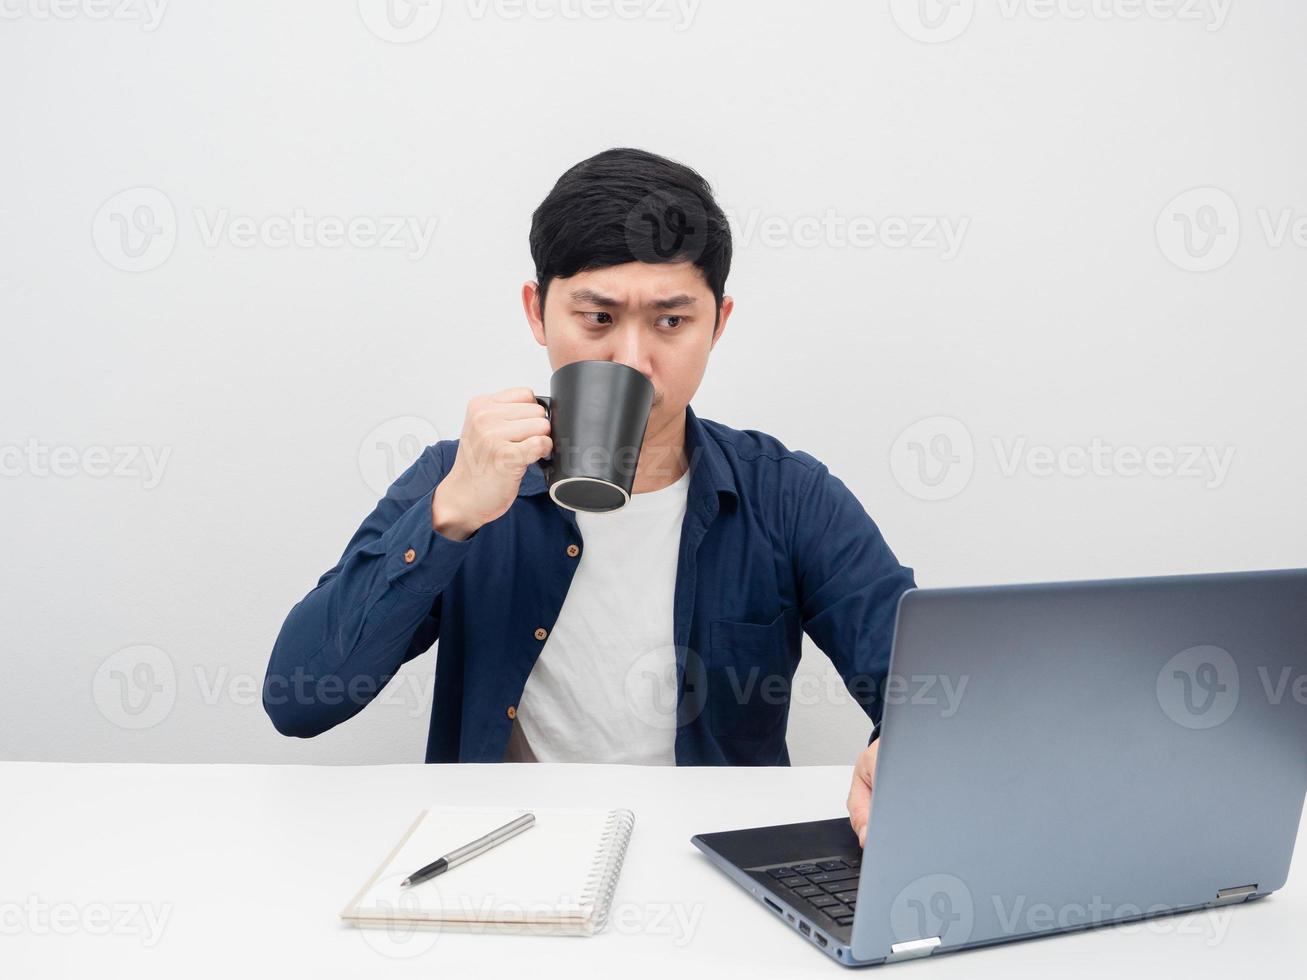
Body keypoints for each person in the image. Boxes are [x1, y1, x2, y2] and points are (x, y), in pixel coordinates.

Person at [262, 147, 915, 847]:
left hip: (718, 863)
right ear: (538, 314)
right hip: (499, 856)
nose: (630, 359)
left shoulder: (786, 494)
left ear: (717, 324)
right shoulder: (461, 476)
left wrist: (907, 754)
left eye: (670, 321)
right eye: (597, 319)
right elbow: (299, 698)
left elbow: (924, 687)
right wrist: (447, 518)